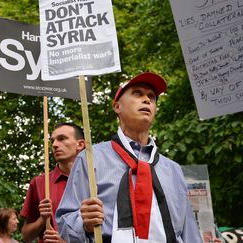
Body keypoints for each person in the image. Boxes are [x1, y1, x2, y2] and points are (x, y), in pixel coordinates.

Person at [56, 72, 203, 242]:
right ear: (117, 106)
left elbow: (190, 232)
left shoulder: (173, 170)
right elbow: (64, 224)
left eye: (152, 97)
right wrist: (84, 223)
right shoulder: (90, 159)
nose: (147, 100)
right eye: (137, 93)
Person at [21, 122, 85, 243]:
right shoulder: (39, 182)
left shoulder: (95, 179)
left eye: (62, 139)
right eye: (52, 141)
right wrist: (42, 219)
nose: (55, 145)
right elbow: (26, 236)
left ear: (80, 144)